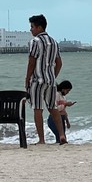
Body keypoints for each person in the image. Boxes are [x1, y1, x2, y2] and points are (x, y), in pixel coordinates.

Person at [25, 14, 67, 145]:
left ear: (39, 27)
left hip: (37, 80)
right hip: (51, 80)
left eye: (32, 27)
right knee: (53, 108)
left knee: (38, 109)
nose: (31, 30)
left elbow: (32, 61)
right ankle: (61, 135)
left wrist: (27, 78)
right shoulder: (54, 42)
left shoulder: (35, 42)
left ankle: (41, 139)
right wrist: (53, 75)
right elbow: (59, 63)